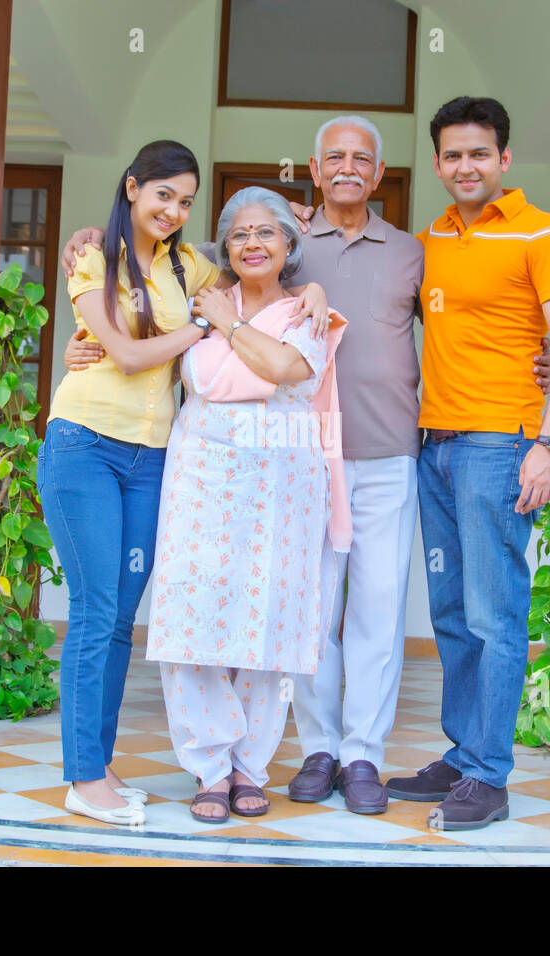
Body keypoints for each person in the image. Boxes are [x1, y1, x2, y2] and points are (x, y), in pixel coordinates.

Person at [62, 116, 550, 817]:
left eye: (362, 159)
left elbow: (477, 319)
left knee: (373, 612)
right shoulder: (248, 253)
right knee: (299, 614)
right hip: (265, 467)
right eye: (334, 159)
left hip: (381, 449)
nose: (348, 168)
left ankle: (362, 755)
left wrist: (547, 360)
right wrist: (91, 240)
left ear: (379, 175)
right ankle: (313, 748)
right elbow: (165, 248)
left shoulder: (414, 252)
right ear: (315, 174)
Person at [38, 141, 329, 827]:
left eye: (186, 201)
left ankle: (100, 767)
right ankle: (84, 776)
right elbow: (134, 355)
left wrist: (310, 283)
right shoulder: (94, 259)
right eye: (162, 194)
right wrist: (202, 326)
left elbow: (251, 249)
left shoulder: (188, 263)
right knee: (93, 611)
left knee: (117, 622)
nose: (173, 210)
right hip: (85, 444)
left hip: (153, 458)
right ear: (132, 187)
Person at [383, 96, 550, 830]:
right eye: (451, 155)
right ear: (437, 163)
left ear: (504, 159)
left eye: (479, 153)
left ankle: (490, 778)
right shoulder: (429, 239)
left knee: (494, 613)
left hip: (500, 447)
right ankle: (463, 752)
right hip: (433, 447)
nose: (464, 166)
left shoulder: (543, 233)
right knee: (449, 613)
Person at [145, 186, 348, 822]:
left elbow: (290, 370)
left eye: (267, 232)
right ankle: (208, 764)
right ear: (225, 247)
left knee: (269, 621)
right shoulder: (196, 301)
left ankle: (246, 768)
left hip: (282, 481)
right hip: (202, 477)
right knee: (192, 617)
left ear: (290, 244)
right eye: (239, 234)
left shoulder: (306, 311)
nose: (253, 243)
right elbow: (205, 379)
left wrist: (229, 332)